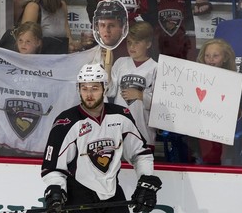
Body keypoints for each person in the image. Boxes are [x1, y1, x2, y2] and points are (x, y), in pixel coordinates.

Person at [41, 63, 162, 213]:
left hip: (112, 193)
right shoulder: (67, 121)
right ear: (78, 89)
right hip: (78, 194)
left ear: (104, 88)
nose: (89, 95)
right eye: (84, 88)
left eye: (95, 88)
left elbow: (140, 153)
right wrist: (55, 192)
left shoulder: (121, 115)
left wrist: (146, 182)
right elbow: (53, 167)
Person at [105, 21, 157, 150]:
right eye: (129, 42)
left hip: (144, 133)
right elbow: (110, 92)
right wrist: (107, 68)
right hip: (118, 132)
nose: (132, 47)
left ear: (148, 44)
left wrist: (140, 95)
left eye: (137, 43)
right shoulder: (120, 63)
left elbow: (160, 106)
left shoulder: (156, 68)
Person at [196, 38, 237, 165]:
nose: (211, 60)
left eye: (215, 56)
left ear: (225, 58)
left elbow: (236, 111)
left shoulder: (233, 80)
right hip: (200, 131)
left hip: (222, 133)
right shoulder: (195, 78)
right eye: (207, 56)